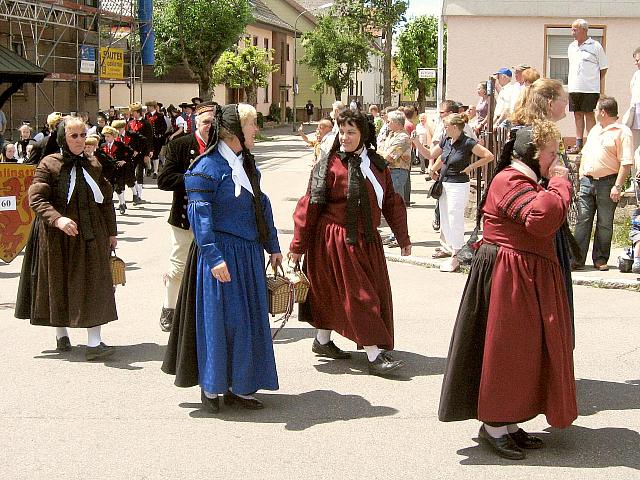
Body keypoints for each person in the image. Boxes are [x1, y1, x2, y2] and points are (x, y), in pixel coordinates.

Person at [439, 120, 577, 460]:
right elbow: (541, 219)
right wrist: (560, 182)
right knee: (506, 351)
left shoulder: (526, 179)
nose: (555, 160)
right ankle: (494, 426)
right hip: (507, 276)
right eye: (550, 154)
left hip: (524, 274)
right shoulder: (508, 179)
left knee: (524, 352)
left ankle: (510, 423)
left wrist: (553, 182)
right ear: (532, 155)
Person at [162, 103, 281, 413]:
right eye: (253, 125)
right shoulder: (205, 169)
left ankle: (240, 386)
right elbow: (199, 217)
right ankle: (212, 387)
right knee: (222, 323)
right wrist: (214, 258)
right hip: (222, 256)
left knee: (246, 323)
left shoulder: (247, 164)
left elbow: (261, 205)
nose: (257, 130)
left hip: (248, 255)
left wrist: (273, 245)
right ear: (233, 132)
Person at [289, 109, 411, 376]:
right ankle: (374, 354)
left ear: (364, 134)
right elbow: (309, 205)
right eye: (341, 131)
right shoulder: (329, 165)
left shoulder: (377, 165)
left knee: (351, 294)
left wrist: (403, 237)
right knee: (359, 297)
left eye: (351, 132)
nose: (344, 137)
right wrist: (298, 246)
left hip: (366, 241)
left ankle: (322, 342)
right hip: (335, 240)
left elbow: (391, 201)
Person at [15, 116, 118, 361]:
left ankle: (94, 343)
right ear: (63, 138)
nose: (80, 140)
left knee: (96, 283)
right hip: (57, 235)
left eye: (83, 135)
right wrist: (58, 219)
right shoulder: (48, 164)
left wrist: (112, 232)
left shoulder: (94, 163)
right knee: (57, 283)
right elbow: (37, 199)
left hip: (91, 232)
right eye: (74, 136)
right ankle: (61, 333)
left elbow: (105, 199)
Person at [156, 101, 216, 332]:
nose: (209, 126)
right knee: (179, 267)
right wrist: (196, 180)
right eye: (205, 122)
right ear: (195, 123)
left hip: (214, 219)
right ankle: (169, 308)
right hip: (184, 218)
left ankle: (204, 312)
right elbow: (164, 180)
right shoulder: (180, 145)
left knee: (213, 265)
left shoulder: (223, 146)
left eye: (213, 122)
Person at [426, 113, 494, 272]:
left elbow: (488, 156)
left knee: (454, 216)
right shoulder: (447, 141)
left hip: (458, 183)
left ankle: (456, 254)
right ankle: (453, 250)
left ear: (455, 127)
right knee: (445, 218)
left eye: (447, 126)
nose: (444, 129)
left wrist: (471, 167)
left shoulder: (467, 142)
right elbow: (440, 158)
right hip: (444, 182)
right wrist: (433, 170)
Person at [573, 96, 633, 271]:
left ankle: (600, 258)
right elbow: (585, 154)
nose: (594, 112)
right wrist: (581, 174)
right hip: (587, 180)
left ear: (603, 112)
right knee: (583, 220)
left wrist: (618, 186)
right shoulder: (595, 130)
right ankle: (576, 259)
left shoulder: (622, 132)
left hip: (608, 182)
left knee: (604, 223)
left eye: (596, 109)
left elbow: (626, 162)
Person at [567, 19, 608, 154]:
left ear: (584, 30)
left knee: (589, 115)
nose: (572, 32)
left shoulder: (595, 46)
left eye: (575, 29)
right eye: (572, 29)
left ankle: (591, 143)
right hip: (574, 87)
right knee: (577, 115)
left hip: (590, 88)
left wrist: (594, 80)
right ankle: (579, 144)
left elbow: (603, 68)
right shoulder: (571, 47)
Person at [101, 125, 134, 215]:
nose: (106, 138)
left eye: (108, 136)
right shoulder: (102, 146)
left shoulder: (119, 144)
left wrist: (124, 160)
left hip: (119, 169)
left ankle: (122, 203)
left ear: (113, 136)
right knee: (109, 186)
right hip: (108, 170)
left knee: (119, 186)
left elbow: (130, 151)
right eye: (105, 136)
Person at [125, 102, 153, 204]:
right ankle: (135, 193)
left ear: (138, 112)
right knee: (130, 173)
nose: (132, 114)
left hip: (142, 151)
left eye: (134, 112)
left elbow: (148, 139)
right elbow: (128, 138)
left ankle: (139, 196)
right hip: (131, 152)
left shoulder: (146, 123)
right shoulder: (130, 123)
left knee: (139, 173)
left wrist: (147, 152)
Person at [145, 100, 167, 179]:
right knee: (147, 154)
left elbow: (164, 126)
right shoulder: (146, 115)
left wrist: (160, 134)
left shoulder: (160, 115)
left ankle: (155, 171)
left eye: (149, 107)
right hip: (148, 138)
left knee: (155, 154)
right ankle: (150, 168)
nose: (148, 108)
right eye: (147, 107)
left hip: (157, 139)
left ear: (153, 107)